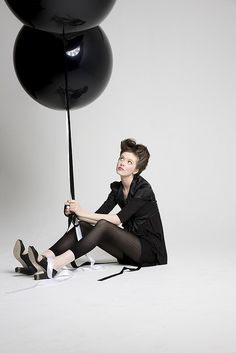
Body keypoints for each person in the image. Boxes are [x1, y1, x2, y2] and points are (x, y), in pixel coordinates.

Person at [13, 138, 167, 280]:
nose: (122, 163)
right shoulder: (117, 189)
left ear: (136, 170)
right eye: (121, 158)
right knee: (85, 226)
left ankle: (56, 264)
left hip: (149, 251)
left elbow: (118, 219)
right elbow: (99, 215)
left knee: (104, 225)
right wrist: (75, 212)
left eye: (129, 162)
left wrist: (82, 213)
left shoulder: (144, 190)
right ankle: (41, 259)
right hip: (128, 250)